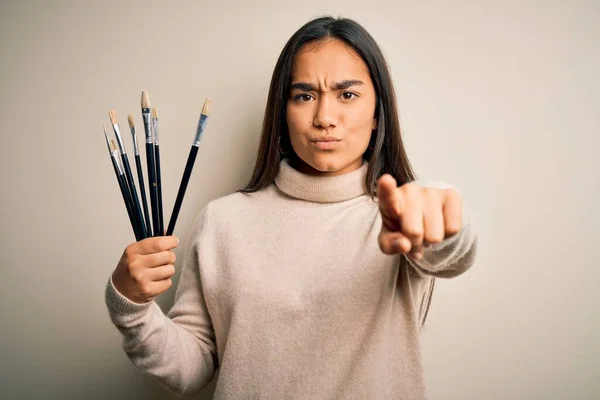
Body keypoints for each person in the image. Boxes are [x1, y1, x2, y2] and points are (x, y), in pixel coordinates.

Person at [105, 15, 478, 399]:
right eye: (304, 96)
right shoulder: (223, 221)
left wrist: (442, 218)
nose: (324, 118)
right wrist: (130, 306)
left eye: (347, 95)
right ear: (282, 113)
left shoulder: (398, 218)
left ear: (377, 115)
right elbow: (193, 366)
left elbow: (449, 251)